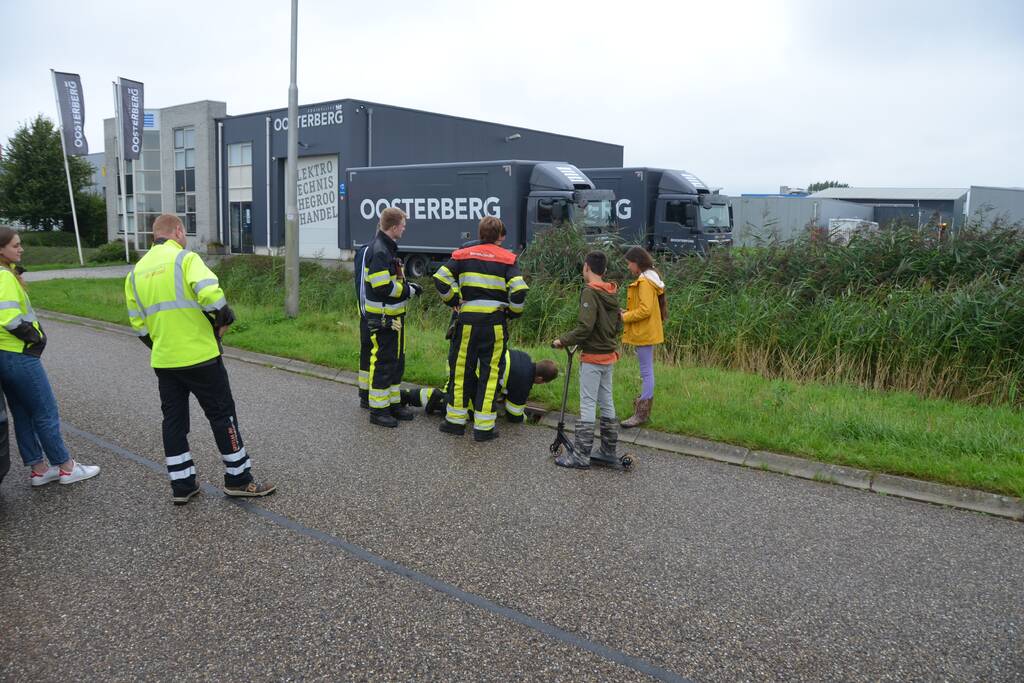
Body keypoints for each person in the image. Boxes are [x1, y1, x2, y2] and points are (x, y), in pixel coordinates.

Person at [125, 214, 274, 504]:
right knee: (222, 415)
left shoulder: (135, 273)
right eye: (184, 233)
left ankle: (182, 485)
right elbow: (212, 297)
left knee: (174, 422)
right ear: (178, 231)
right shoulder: (185, 259)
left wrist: (162, 346)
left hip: (165, 361)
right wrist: (223, 321)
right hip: (201, 357)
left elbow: (138, 325)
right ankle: (239, 479)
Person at [0, 227, 100, 486]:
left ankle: (39, 469)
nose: (21, 249)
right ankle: (66, 467)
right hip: (19, 354)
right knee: (45, 411)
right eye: (15, 245)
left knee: (22, 413)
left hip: (4, 357)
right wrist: (35, 337)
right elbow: (9, 319)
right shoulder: (4, 277)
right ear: (1, 249)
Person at [433, 216, 528, 442]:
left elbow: (440, 278)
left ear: (480, 233)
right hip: (494, 325)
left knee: (461, 371)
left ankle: (455, 422)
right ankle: (484, 428)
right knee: (490, 374)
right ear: (500, 235)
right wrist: (513, 312)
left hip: (466, 324)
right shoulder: (508, 259)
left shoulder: (463, 254)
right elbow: (519, 291)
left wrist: (453, 300)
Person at [551, 251, 623, 469]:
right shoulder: (612, 291)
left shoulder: (590, 292)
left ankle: (581, 455)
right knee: (606, 401)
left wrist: (562, 340)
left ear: (586, 268)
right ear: (605, 270)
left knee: (588, 403)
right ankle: (608, 451)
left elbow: (585, 327)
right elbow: (619, 324)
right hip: (609, 355)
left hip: (593, 356)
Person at [362, 207, 423, 427]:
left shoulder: (387, 248)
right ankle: (378, 411)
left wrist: (408, 285)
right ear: (395, 226)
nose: (404, 229)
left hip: (394, 317)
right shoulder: (379, 250)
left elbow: (391, 281)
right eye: (403, 226)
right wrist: (408, 291)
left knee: (396, 362)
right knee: (384, 363)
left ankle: (393, 404)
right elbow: (381, 287)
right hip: (384, 318)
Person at [400, 349, 558, 421]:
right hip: (470, 373)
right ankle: (440, 401)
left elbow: (502, 377)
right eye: (542, 382)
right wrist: (526, 419)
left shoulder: (524, 357)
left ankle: (405, 395)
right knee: (466, 411)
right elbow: (514, 414)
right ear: (540, 378)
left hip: (464, 357)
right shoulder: (524, 382)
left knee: (455, 395)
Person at [620, 246, 665, 428]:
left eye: (629, 263)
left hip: (644, 332)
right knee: (647, 371)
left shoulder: (645, 282)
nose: (628, 267)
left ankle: (641, 414)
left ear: (637, 263)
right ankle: (642, 410)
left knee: (646, 372)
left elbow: (645, 310)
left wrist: (625, 317)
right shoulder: (650, 278)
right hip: (647, 330)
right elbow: (645, 307)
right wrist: (627, 312)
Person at [354, 242, 371, 409]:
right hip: (369, 318)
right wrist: (367, 316)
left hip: (379, 318)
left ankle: (371, 395)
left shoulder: (386, 249)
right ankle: (365, 396)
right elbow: (361, 289)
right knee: (368, 353)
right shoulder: (367, 251)